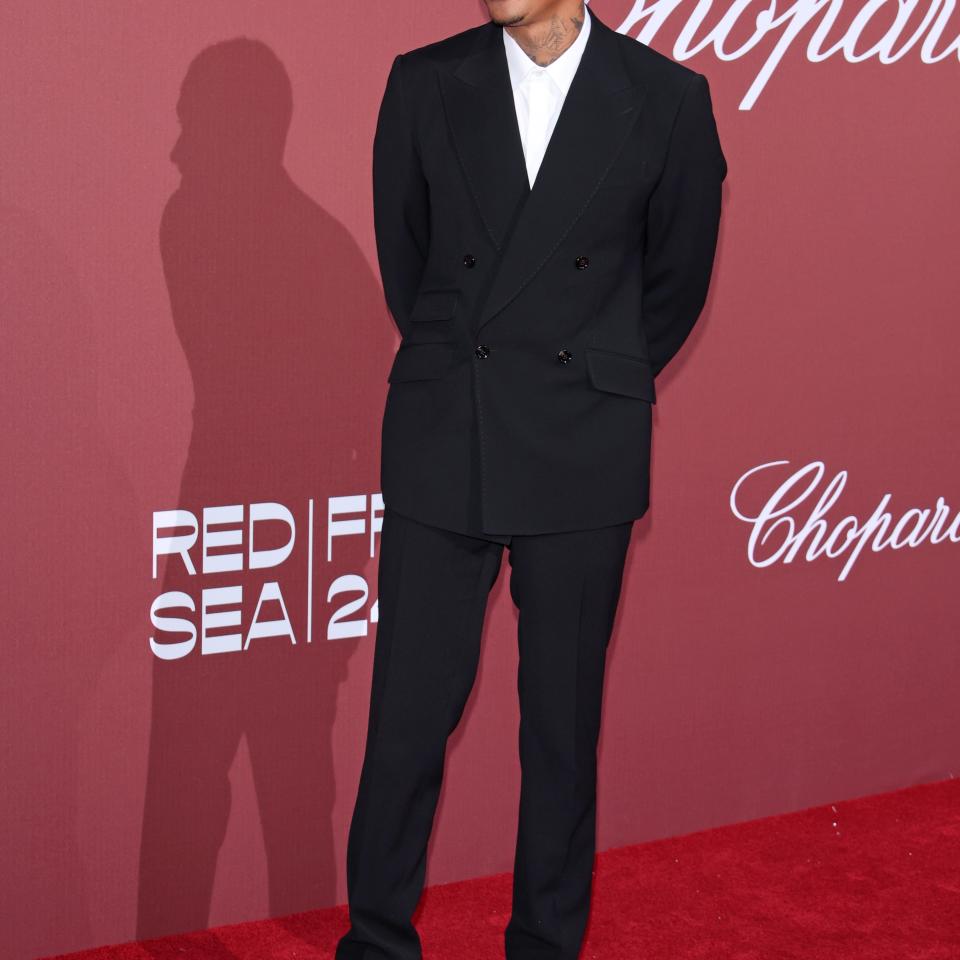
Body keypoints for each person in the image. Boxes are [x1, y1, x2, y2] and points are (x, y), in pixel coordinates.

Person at [336, 1, 727, 957]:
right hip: (447, 434)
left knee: (561, 733)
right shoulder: (425, 80)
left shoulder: (668, 99)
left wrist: (593, 371)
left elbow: (673, 282)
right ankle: (376, 942)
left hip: (580, 445)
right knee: (405, 723)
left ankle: (546, 946)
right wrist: (465, 361)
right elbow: (409, 261)